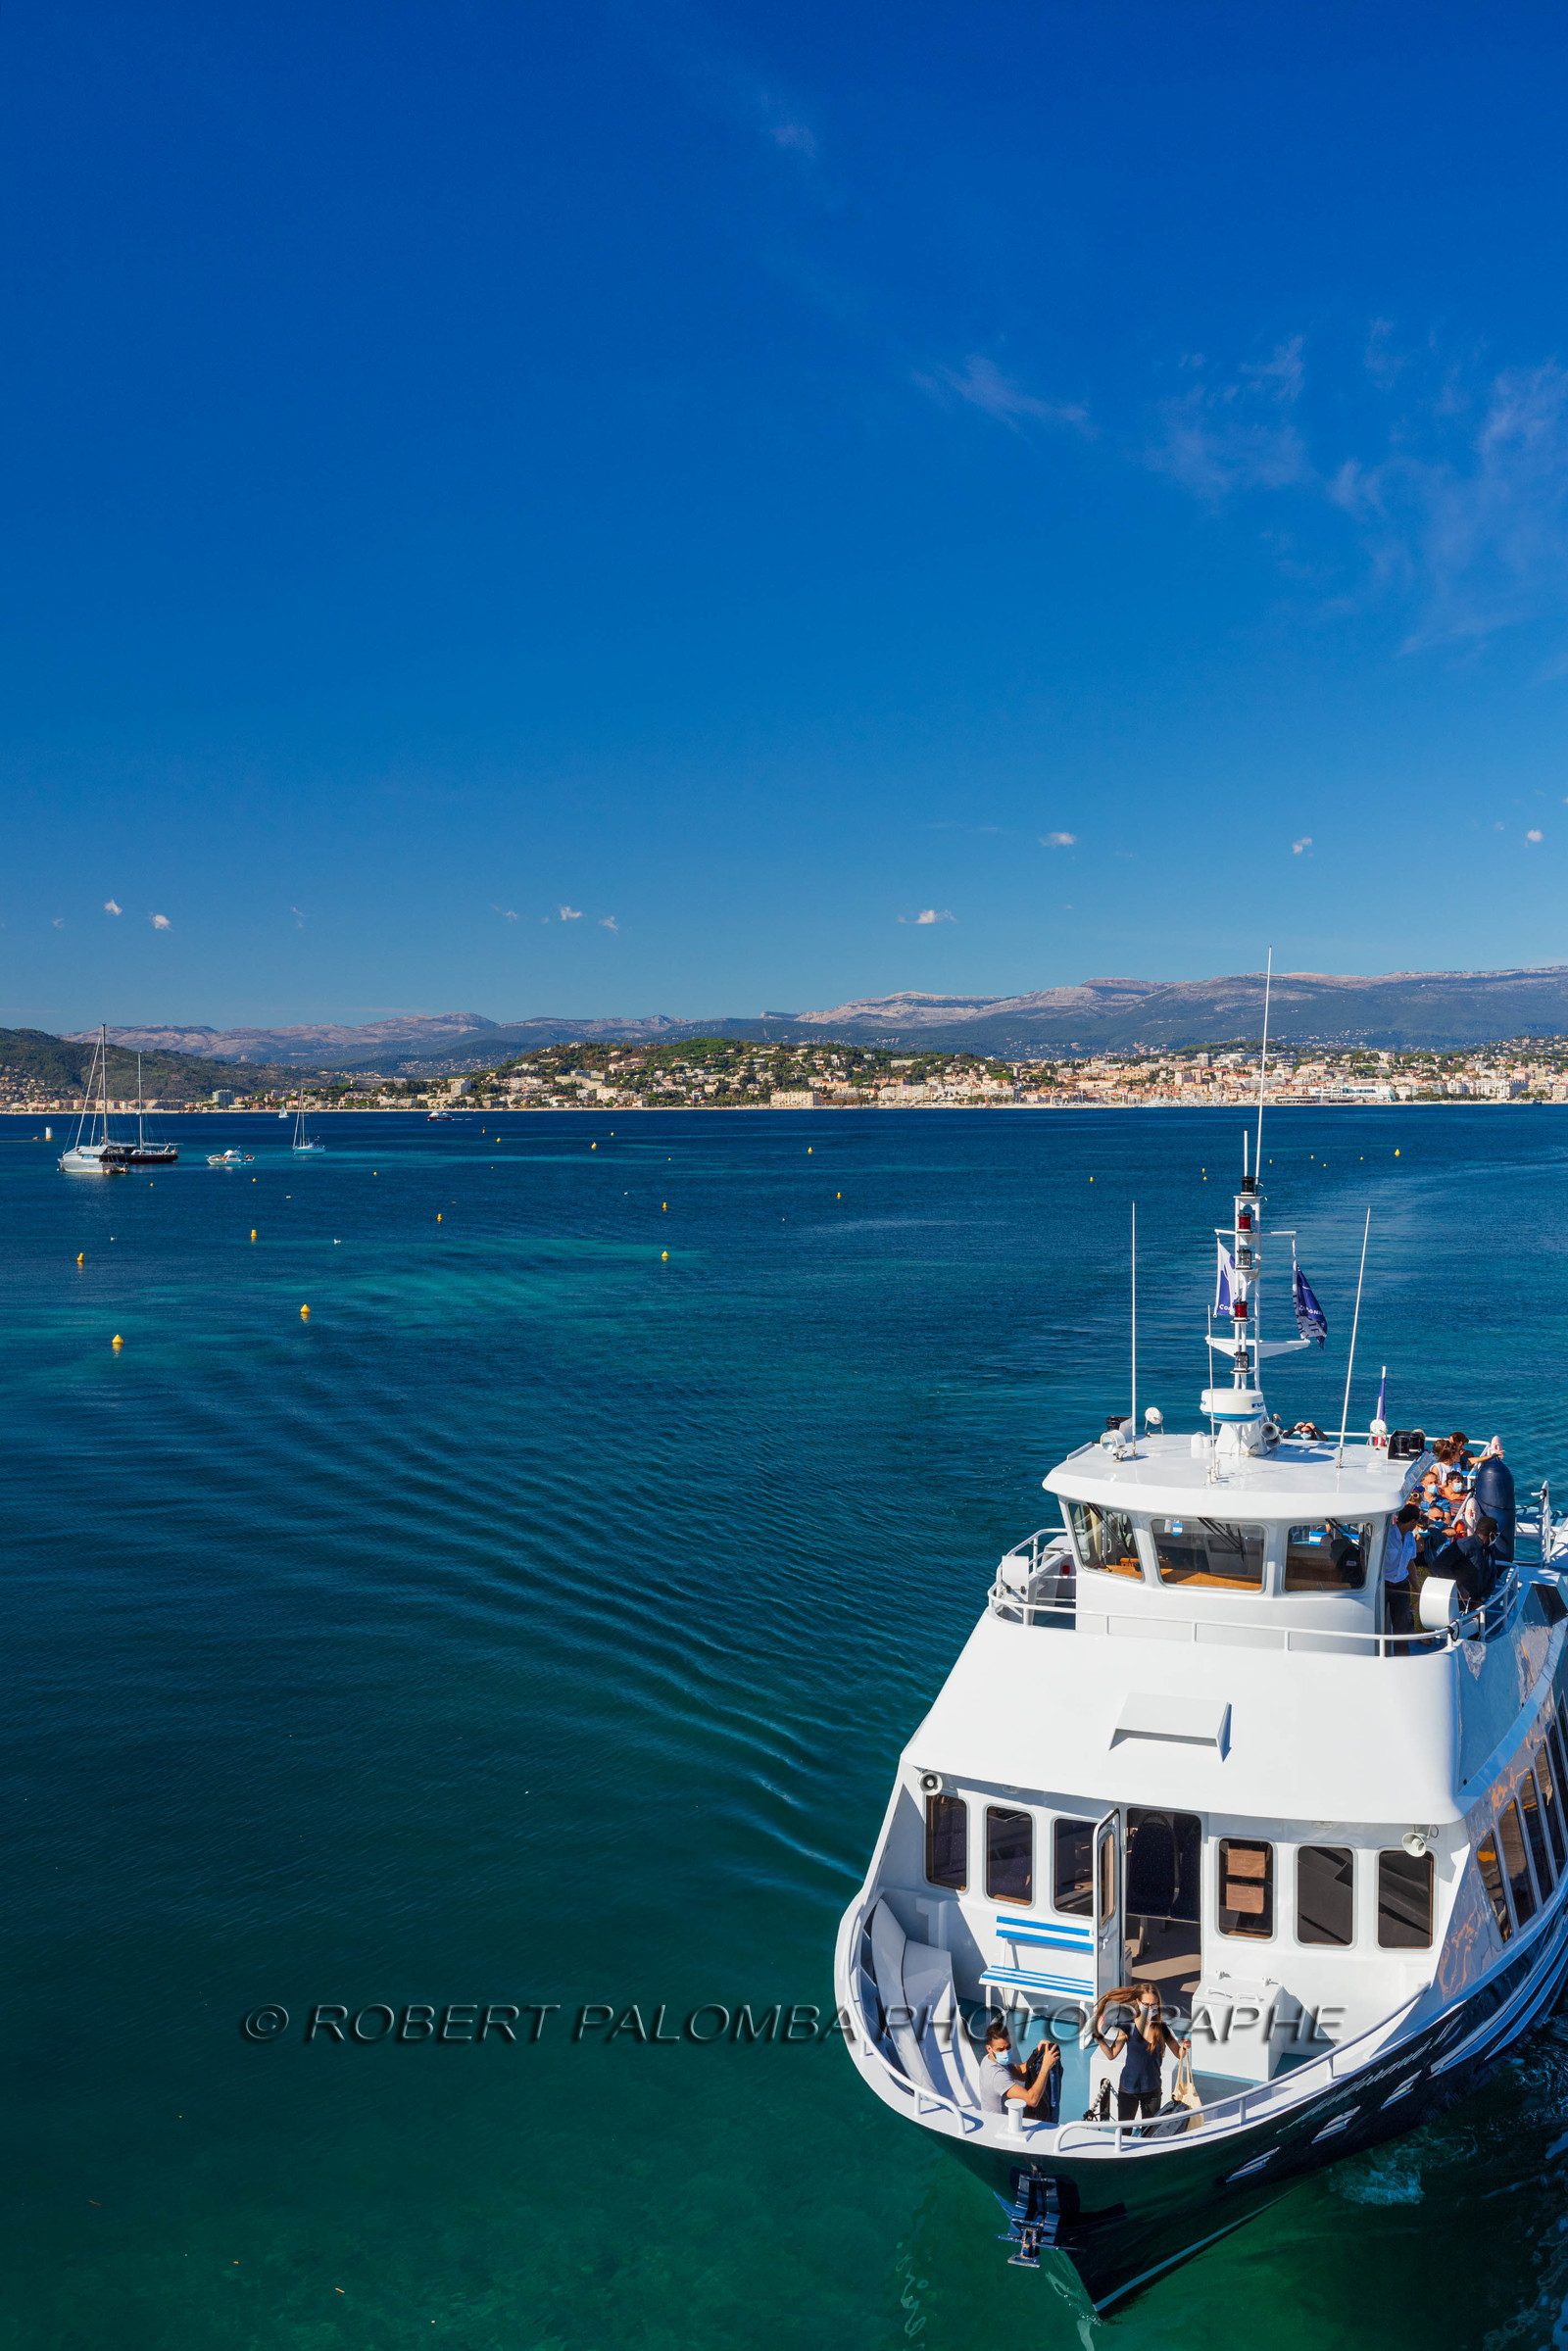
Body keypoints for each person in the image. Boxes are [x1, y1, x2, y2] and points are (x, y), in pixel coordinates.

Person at [1094, 1984, 1188, 2124]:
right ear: (1138, 2002)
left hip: (1152, 2091)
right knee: (1124, 2130)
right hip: (1128, 2090)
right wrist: (1099, 2037)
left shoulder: (1163, 2029)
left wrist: (1184, 2047)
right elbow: (1111, 2054)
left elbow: (1178, 2053)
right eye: (1146, 2004)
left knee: (1149, 2130)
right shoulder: (1127, 2027)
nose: (1150, 2008)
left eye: (1153, 2005)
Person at [979, 2018, 1060, 2123]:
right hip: (998, 2127)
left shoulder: (991, 2059)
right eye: (1001, 2049)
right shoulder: (997, 2076)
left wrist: (1036, 2053)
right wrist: (1045, 2067)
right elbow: (1032, 2100)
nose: (1005, 2052)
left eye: (1008, 2047)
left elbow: (1021, 2073)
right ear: (989, 2049)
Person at [1433, 1512, 1500, 1614]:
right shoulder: (1463, 1545)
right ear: (1491, 1534)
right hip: (1457, 1602)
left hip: (1477, 1604)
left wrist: (1482, 1599)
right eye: (1496, 1535)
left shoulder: (1489, 1549)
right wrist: (1459, 1587)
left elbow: (1492, 1575)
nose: (1496, 1538)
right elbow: (1439, 1565)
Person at [1384, 1502, 1420, 1638]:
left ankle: (1402, 1654)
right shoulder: (1387, 1536)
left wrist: (1416, 1587)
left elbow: (1410, 1563)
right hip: (1384, 1586)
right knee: (1380, 1622)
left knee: (1402, 1626)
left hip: (1402, 1585)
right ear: (1412, 1521)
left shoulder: (1410, 1538)